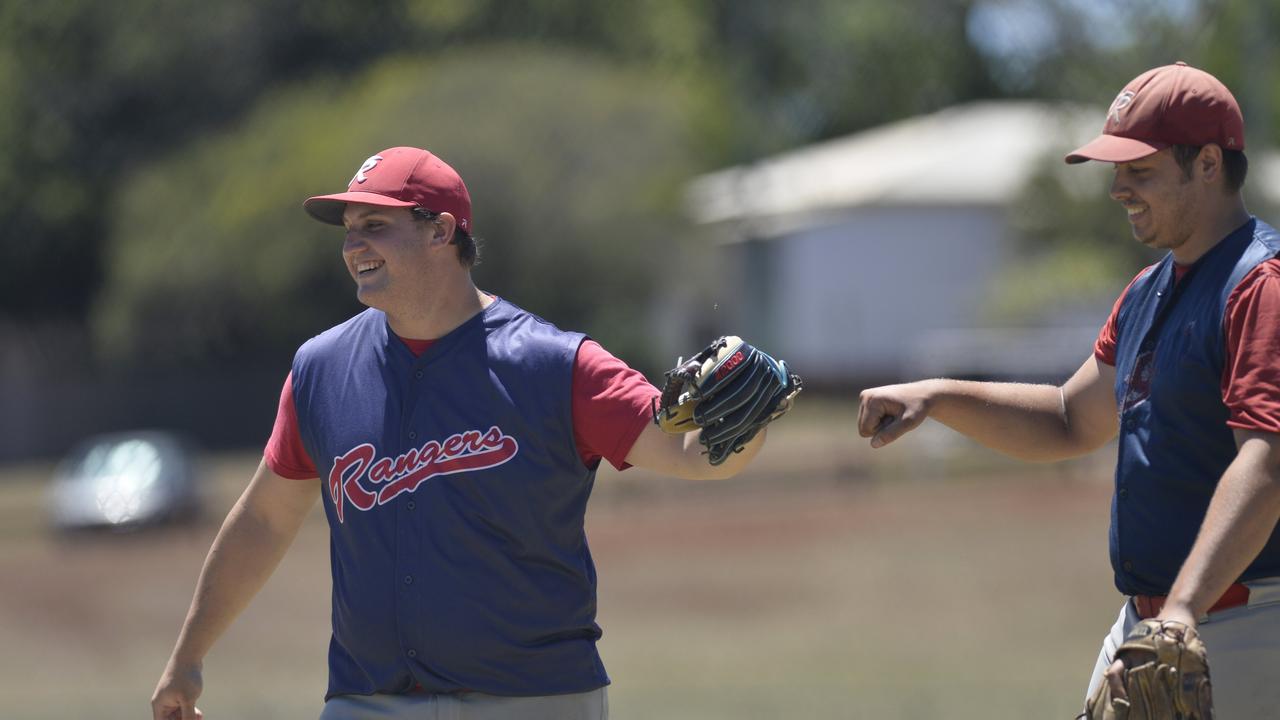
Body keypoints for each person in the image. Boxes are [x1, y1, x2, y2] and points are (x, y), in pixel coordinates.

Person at [150, 146, 790, 720]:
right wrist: (188, 656)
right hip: (369, 698)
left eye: (376, 225)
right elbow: (265, 518)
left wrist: (748, 419)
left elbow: (692, 453)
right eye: (349, 231)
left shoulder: (553, 363)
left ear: (442, 231)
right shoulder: (320, 370)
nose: (353, 246)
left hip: (534, 700)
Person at [856, 62, 1280, 718]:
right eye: (1117, 171)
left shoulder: (1261, 287)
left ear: (1207, 165)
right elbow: (1069, 419)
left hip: (1240, 623)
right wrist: (937, 396)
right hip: (1156, 628)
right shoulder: (1149, 291)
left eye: (1140, 169)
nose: (1118, 188)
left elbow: (1268, 462)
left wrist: (1182, 611)